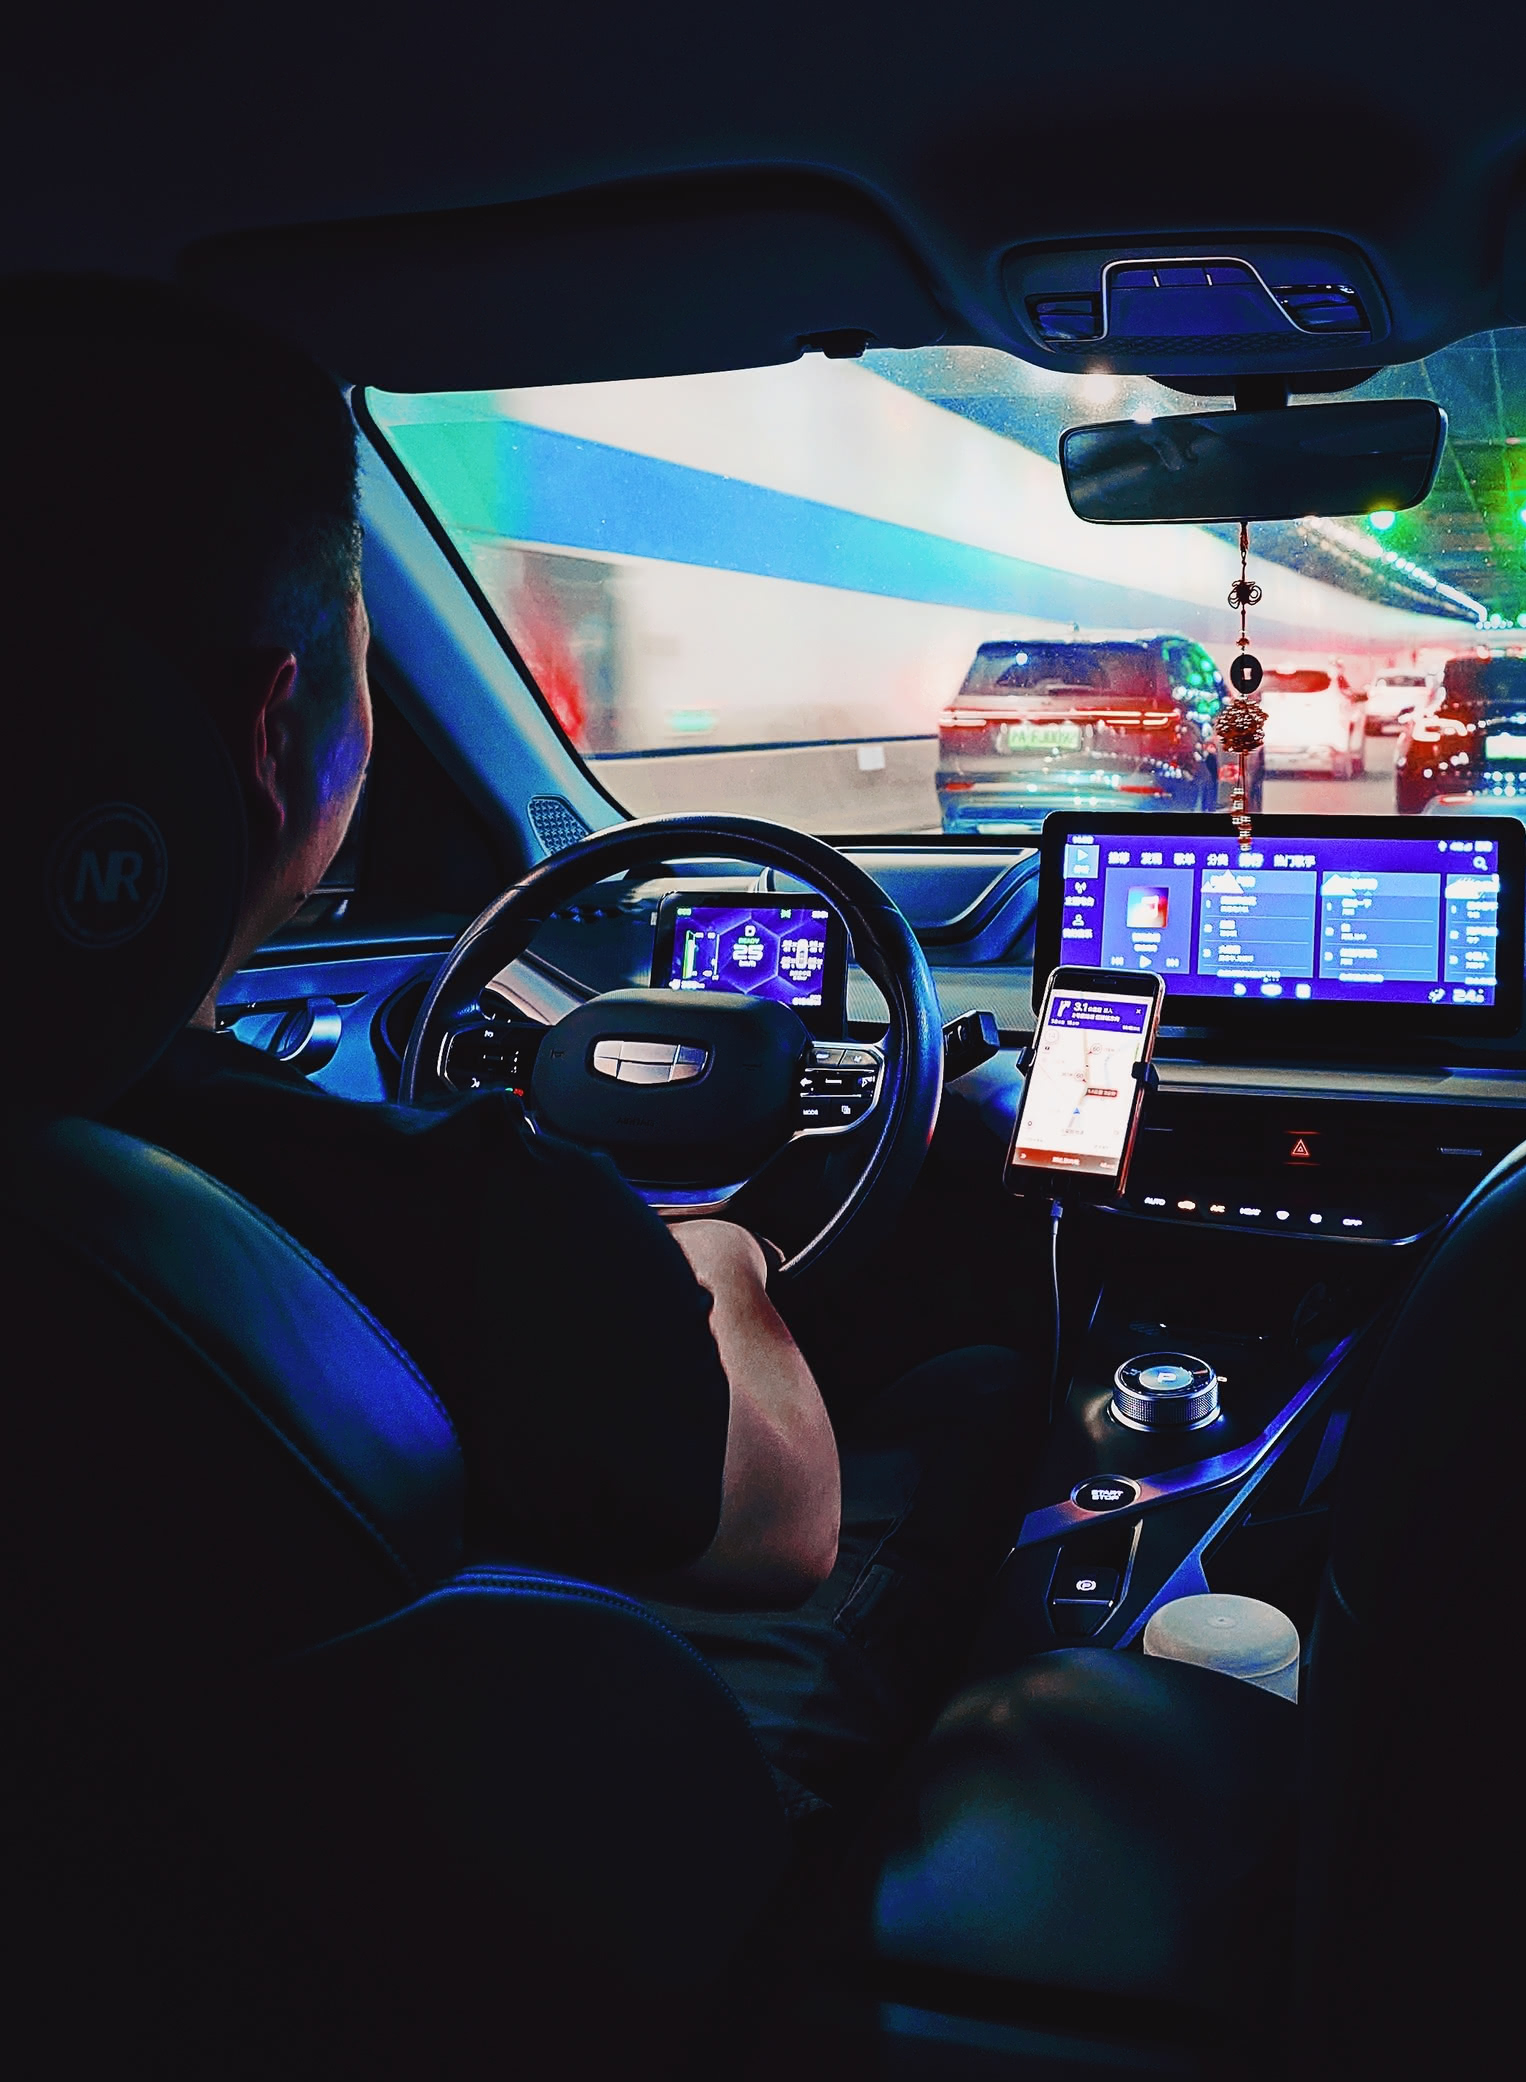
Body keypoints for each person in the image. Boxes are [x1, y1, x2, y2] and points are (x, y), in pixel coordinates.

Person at [1, 274, 1030, 1820]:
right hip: (468, 1887)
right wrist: (726, 1266)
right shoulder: (457, 1216)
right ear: (282, 740)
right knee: (978, 1391)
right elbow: (786, 1525)